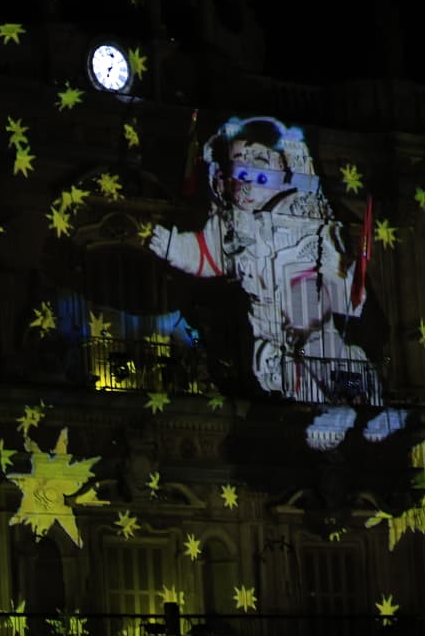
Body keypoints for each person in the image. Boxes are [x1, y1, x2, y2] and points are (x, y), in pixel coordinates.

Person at [146, 117, 404, 448]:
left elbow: (341, 273)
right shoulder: (231, 226)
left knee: (331, 358)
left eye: (259, 162)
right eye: (239, 164)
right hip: (269, 331)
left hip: (311, 319)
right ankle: (326, 416)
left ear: (287, 166)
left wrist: (349, 286)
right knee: (288, 374)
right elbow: (203, 254)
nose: (247, 176)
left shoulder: (310, 217)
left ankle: (365, 405)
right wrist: (171, 246)